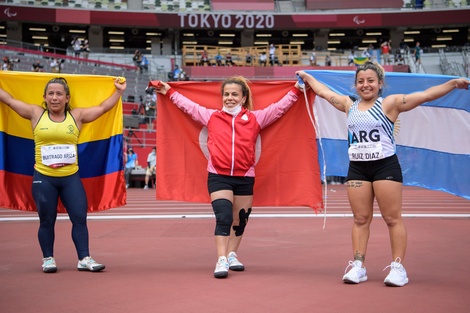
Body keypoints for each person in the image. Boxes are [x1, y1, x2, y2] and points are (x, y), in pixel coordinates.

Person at [296, 63, 470, 287]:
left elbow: (425, 95)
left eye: (370, 80)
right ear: (355, 85)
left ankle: (398, 267)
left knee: (392, 218)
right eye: (361, 81)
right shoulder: (349, 105)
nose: (365, 85)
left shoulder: (389, 103)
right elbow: (323, 92)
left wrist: (453, 83)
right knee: (360, 219)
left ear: (380, 84)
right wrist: (307, 77)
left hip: (385, 167)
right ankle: (358, 266)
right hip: (358, 168)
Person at [152, 76, 304, 278]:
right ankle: (221, 259)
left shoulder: (255, 118)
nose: (229, 98)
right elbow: (187, 106)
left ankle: (232, 254)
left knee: (240, 220)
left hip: (245, 177)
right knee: (223, 217)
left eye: (234, 94)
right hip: (218, 176)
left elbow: (279, 108)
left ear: (243, 98)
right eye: (226, 94)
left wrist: (296, 90)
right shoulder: (211, 116)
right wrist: (168, 91)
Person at [0, 76, 127, 273]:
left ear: (67, 98)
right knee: (47, 220)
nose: (55, 98)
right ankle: (48, 258)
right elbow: (8, 100)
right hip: (44, 177)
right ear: (44, 97)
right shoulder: (35, 113)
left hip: (70, 178)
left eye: (59, 94)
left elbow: (102, 108)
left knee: (79, 218)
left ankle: (84, 258)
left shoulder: (76, 116)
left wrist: (118, 91)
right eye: (51, 93)